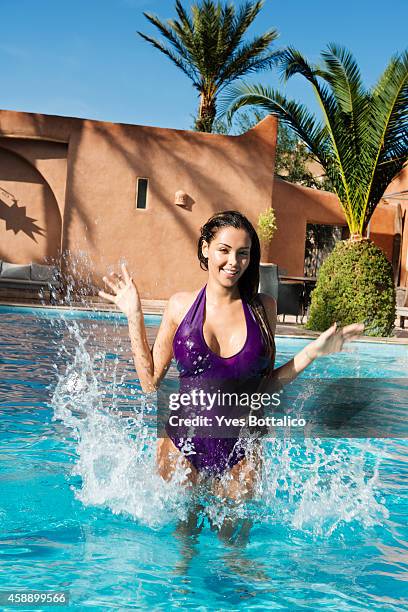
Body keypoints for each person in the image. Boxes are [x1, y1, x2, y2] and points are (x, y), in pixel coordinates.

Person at [99, 210, 364, 500]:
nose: (233, 262)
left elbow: (264, 388)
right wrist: (134, 315)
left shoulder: (263, 308)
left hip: (242, 450)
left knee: (234, 543)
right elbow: (149, 382)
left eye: (242, 253)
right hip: (183, 443)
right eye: (224, 250)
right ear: (205, 249)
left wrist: (313, 351)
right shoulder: (180, 307)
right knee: (183, 541)